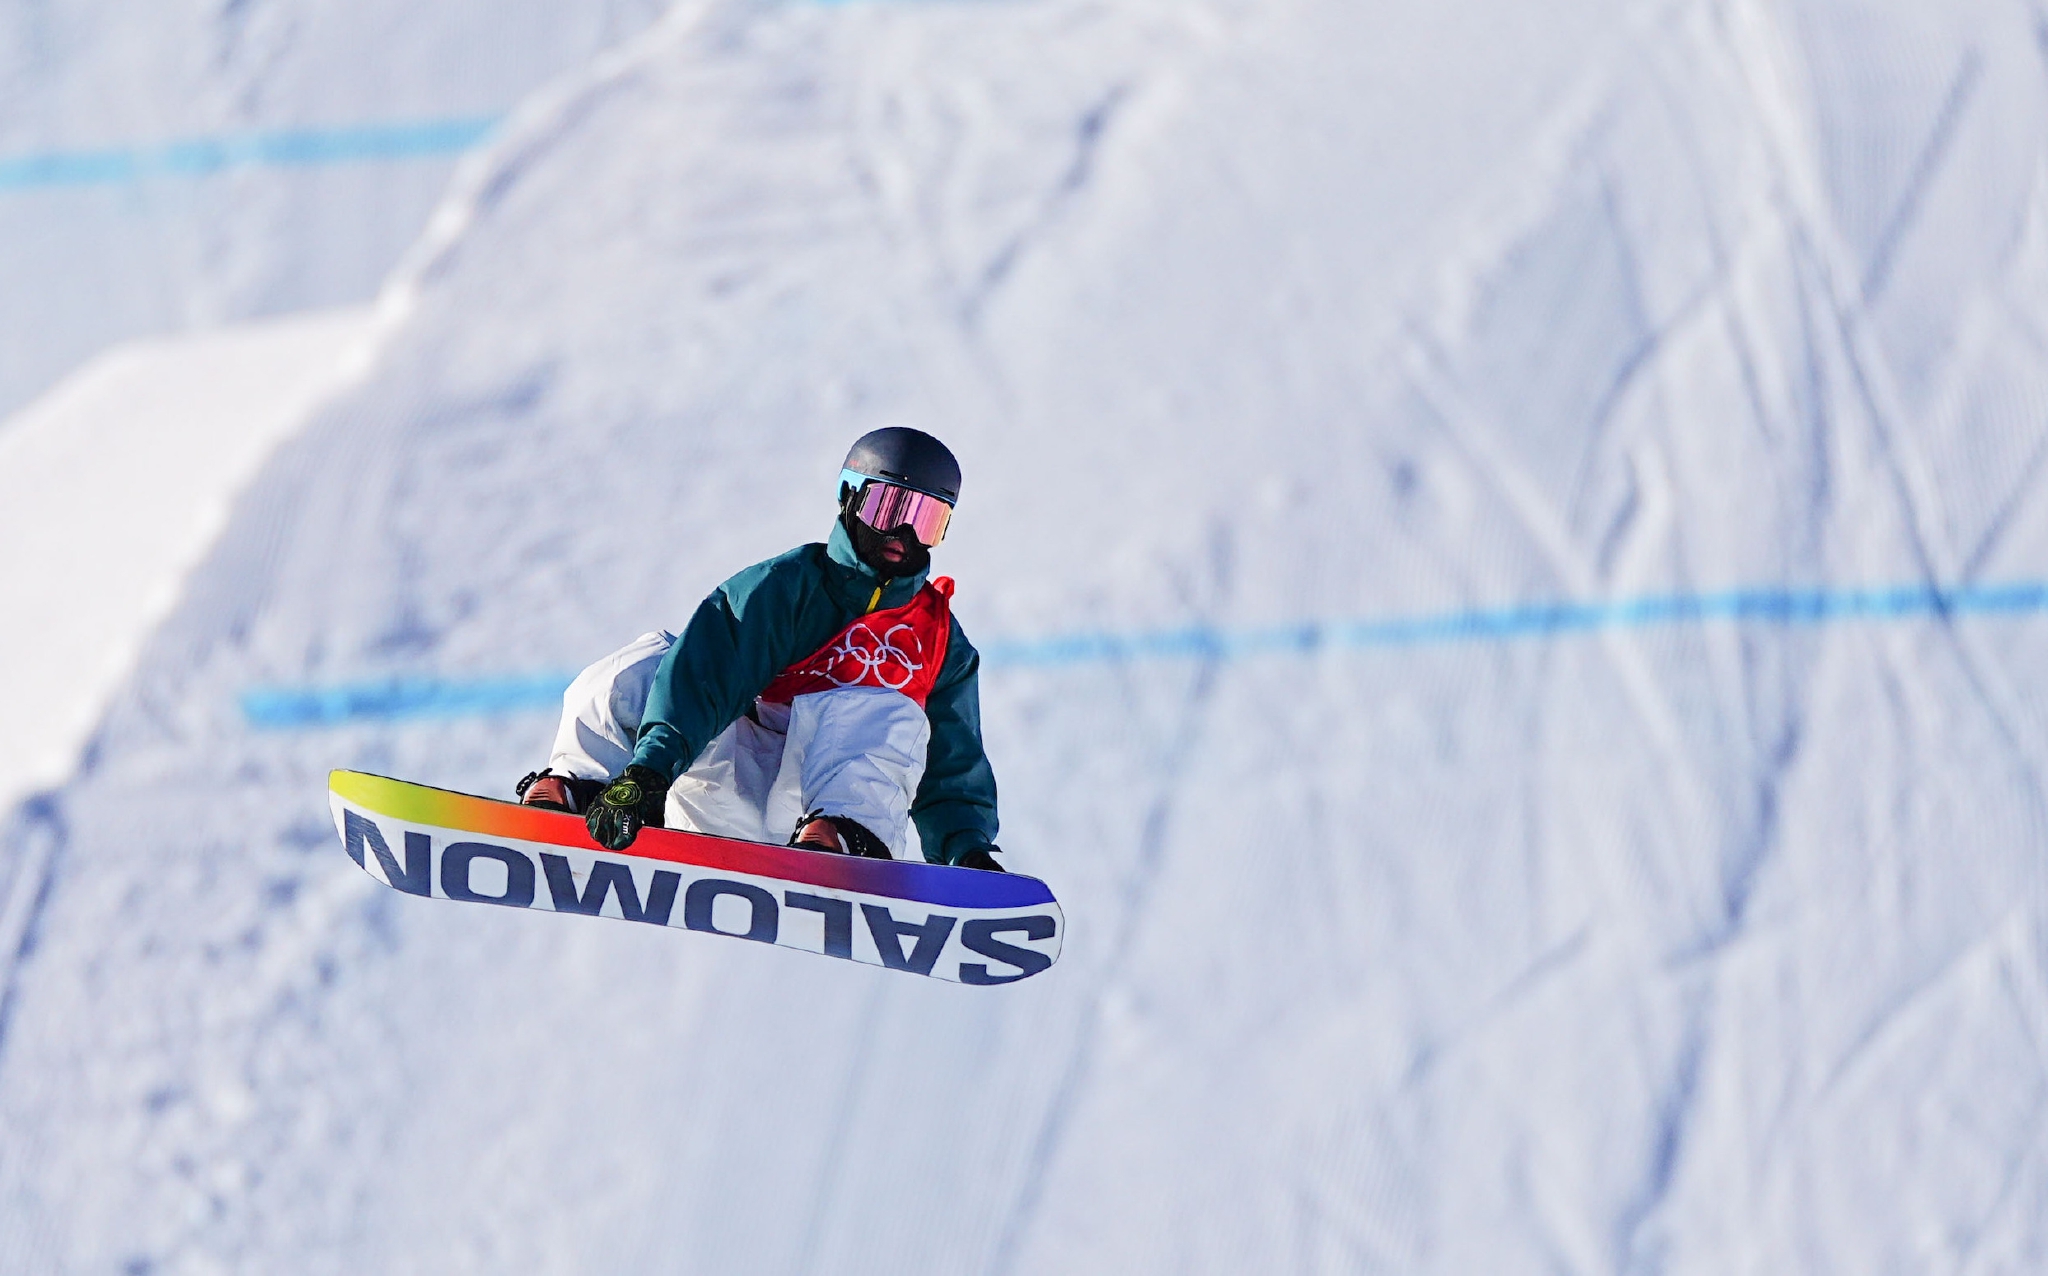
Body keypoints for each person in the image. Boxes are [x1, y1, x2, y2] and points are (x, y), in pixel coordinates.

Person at [515, 427, 1003, 871]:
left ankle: (839, 838)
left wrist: (968, 849)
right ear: (849, 498)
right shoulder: (784, 588)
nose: (905, 535)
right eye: (891, 510)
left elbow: (952, 756)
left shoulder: (937, 637)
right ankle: (585, 786)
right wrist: (648, 773)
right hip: (718, 782)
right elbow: (706, 678)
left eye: (927, 519)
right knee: (648, 664)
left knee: (882, 710)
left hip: (819, 808)